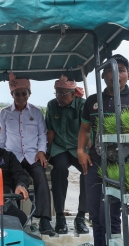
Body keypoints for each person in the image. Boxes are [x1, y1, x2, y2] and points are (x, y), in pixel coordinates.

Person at [78, 55, 129, 246]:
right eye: (110, 70)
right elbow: (84, 129)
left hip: (121, 166)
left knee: (110, 215)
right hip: (94, 163)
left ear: (128, 75)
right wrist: (80, 151)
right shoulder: (93, 101)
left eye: (120, 69)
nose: (115, 74)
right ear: (103, 75)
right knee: (95, 215)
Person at [0, 72, 54, 236]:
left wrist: (42, 151)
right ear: (12, 94)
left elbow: (42, 135)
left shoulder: (36, 112)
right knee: (7, 180)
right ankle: (12, 219)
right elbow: (1, 139)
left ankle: (44, 220)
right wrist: (0, 158)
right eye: (17, 93)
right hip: (11, 156)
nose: (20, 96)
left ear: (29, 94)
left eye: (24, 93)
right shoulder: (5, 113)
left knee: (41, 178)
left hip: (32, 156)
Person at [45, 75, 89, 235]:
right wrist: (46, 153)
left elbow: (88, 131)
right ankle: (60, 216)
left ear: (73, 93)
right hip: (59, 148)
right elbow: (50, 132)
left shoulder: (83, 105)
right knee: (59, 169)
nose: (59, 97)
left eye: (62, 94)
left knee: (88, 171)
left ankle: (81, 216)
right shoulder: (51, 105)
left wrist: (85, 152)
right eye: (57, 93)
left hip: (78, 148)